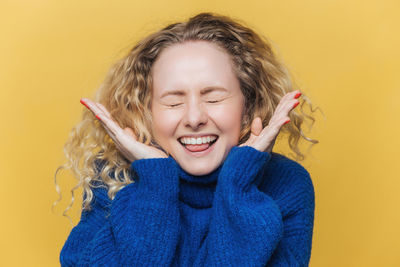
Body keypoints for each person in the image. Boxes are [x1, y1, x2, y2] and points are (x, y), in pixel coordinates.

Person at [56, 12, 318, 267]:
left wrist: (239, 183)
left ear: (248, 106)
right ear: (146, 111)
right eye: (173, 101)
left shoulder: (286, 184)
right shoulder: (112, 178)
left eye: (213, 98)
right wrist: (154, 182)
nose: (194, 118)